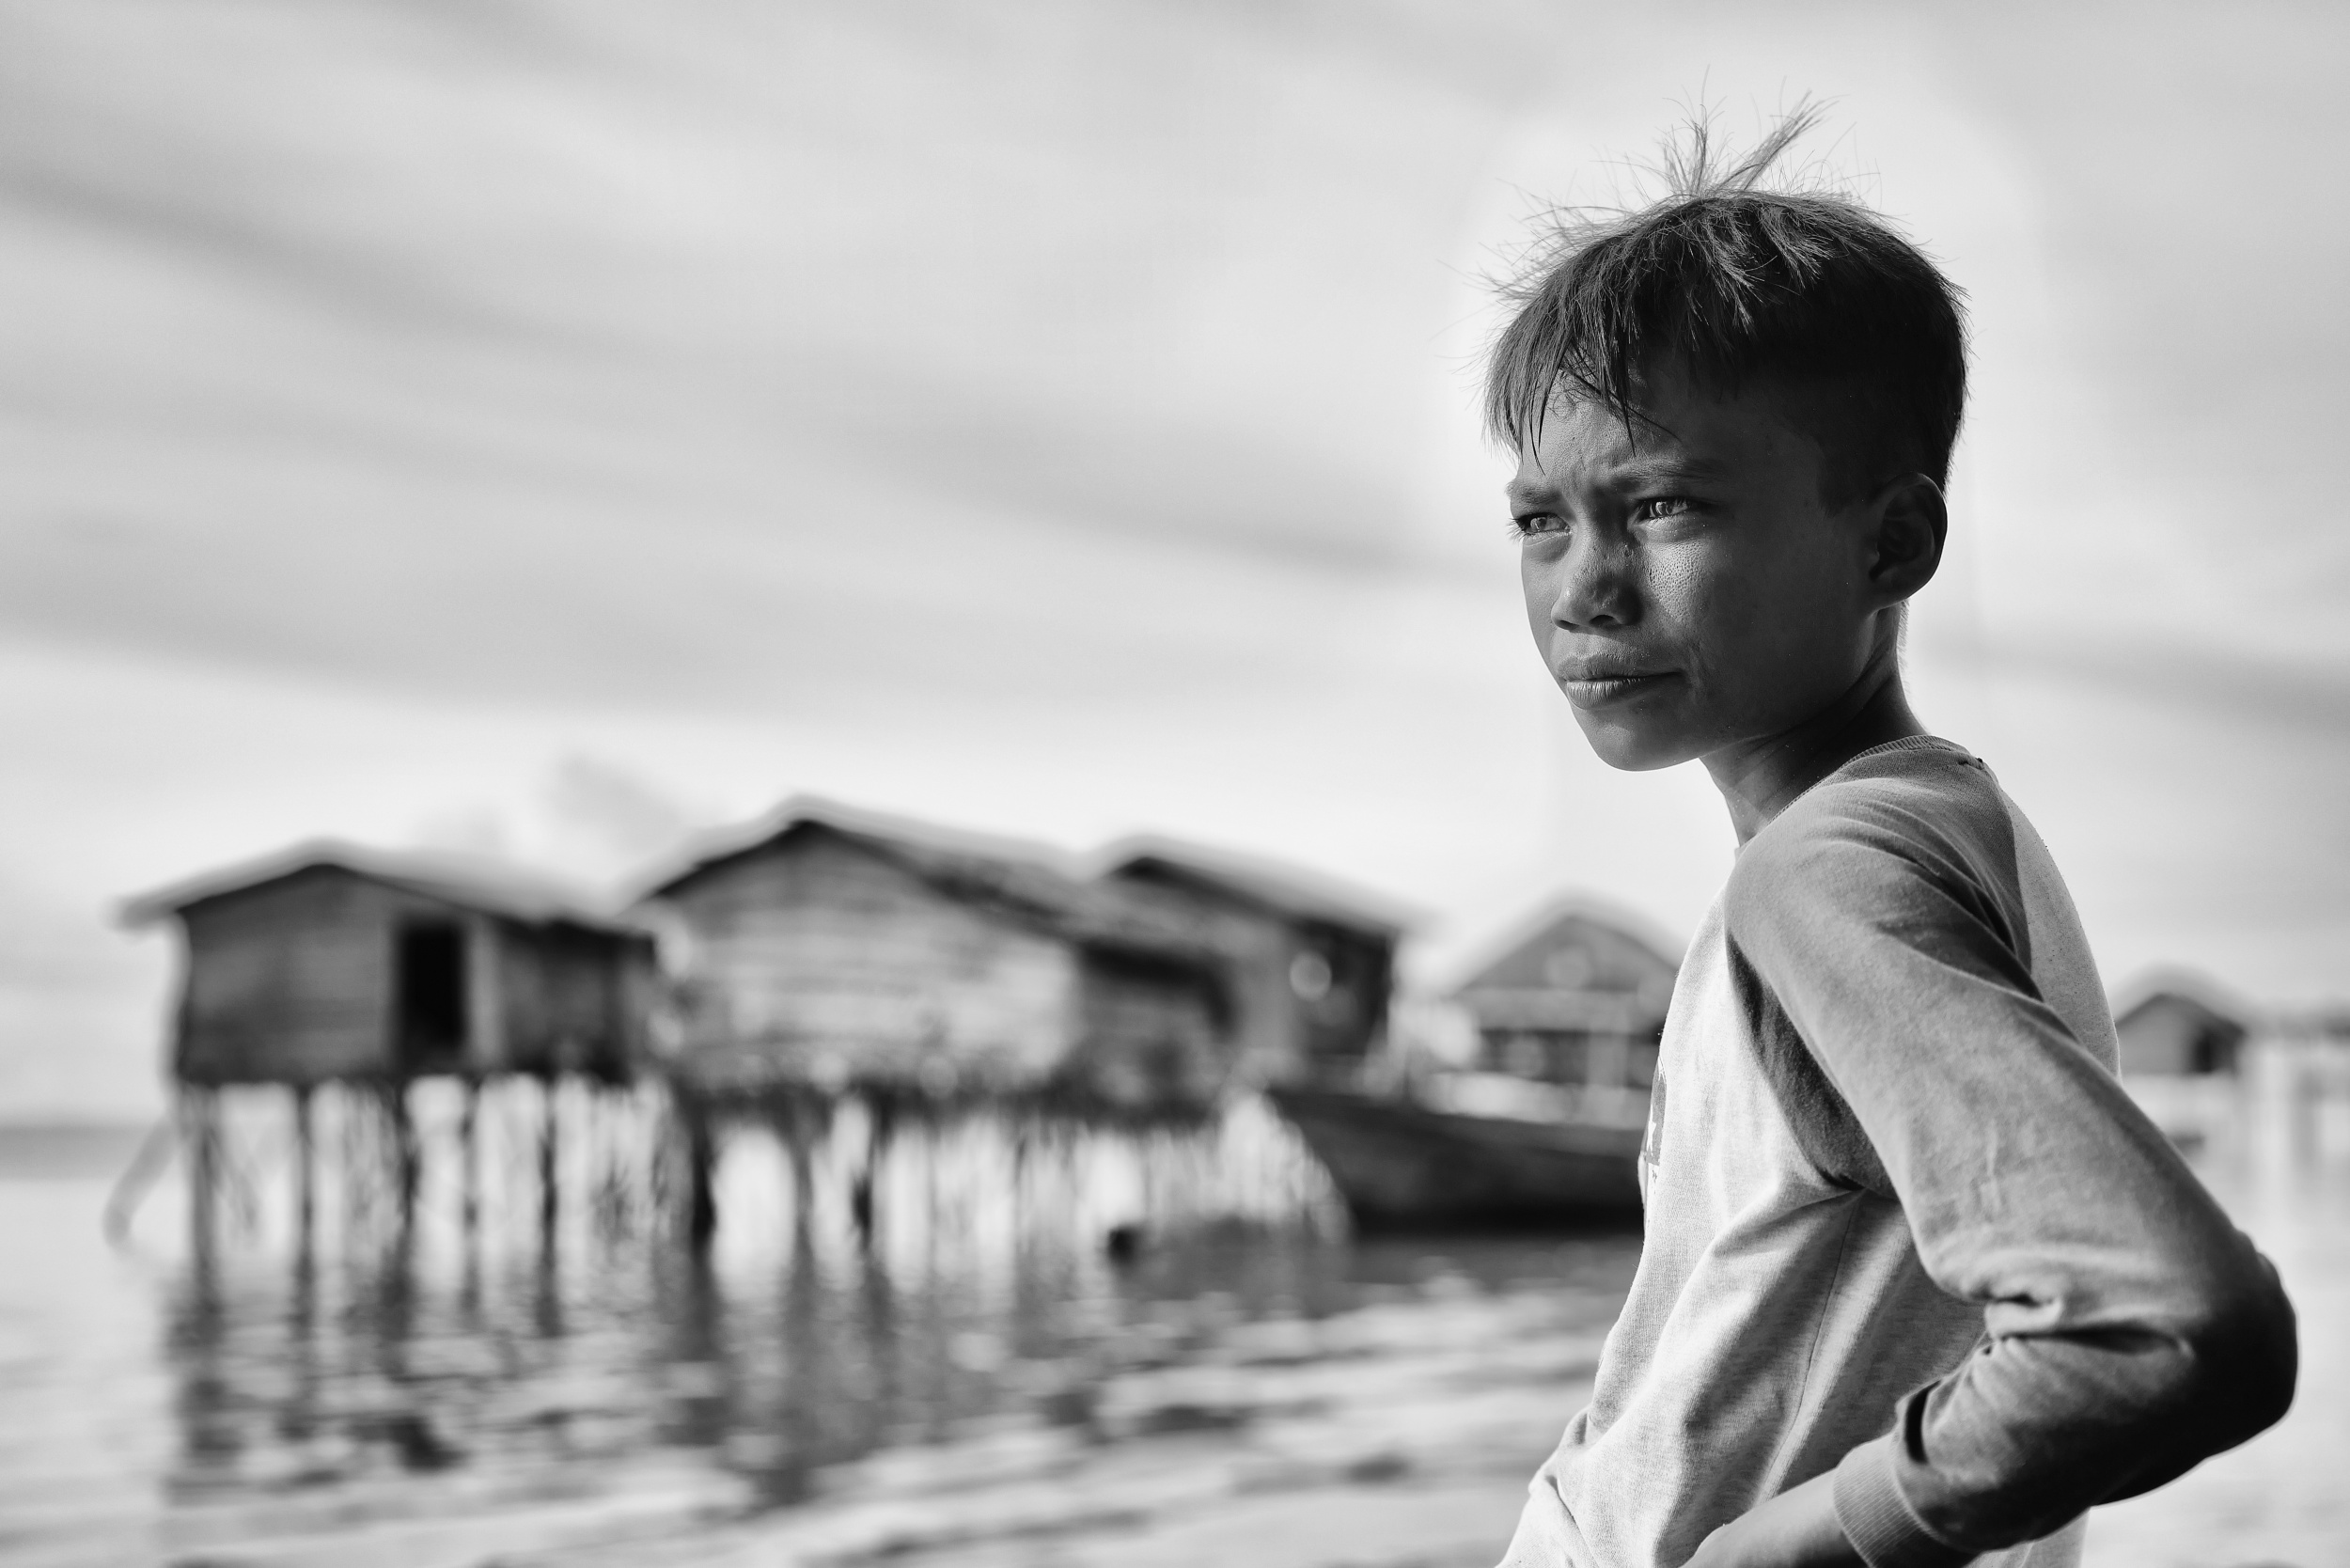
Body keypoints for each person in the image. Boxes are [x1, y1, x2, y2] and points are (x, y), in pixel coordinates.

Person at [1486, 110, 2297, 1568]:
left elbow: (2167, 1322)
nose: (1583, 587)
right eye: (1542, 520)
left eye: (1662, 504)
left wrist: (1785, 1547)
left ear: (1894, 543)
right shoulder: (1953, 835)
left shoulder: (1830, 875)